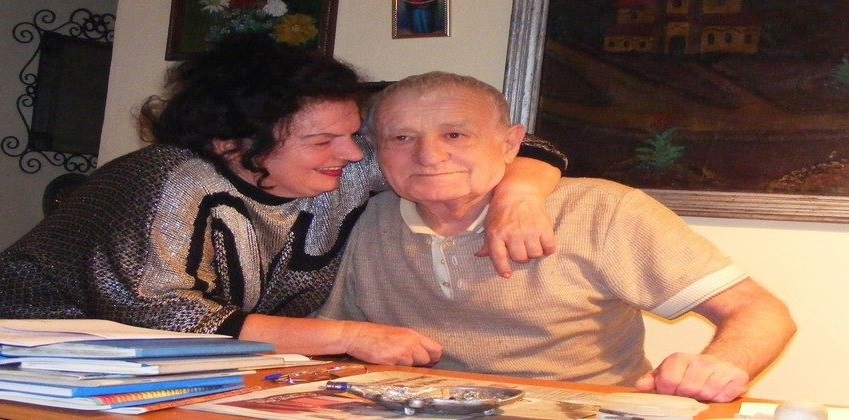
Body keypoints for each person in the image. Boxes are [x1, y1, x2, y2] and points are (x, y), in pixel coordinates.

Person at [0, 36, 567, 365]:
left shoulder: (344, 166)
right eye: (322, 141)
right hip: (40, 368)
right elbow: (162, 314)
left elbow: (515, 145)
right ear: (232, 144)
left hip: (194, 377)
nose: (354, 153)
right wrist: (348, 336)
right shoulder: (162, 181)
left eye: (354, 133)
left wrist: (519, 194)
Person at [317, 71, 796, 402]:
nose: (429, 156)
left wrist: (719, 364)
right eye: (402, 138)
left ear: (511, 143)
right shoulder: (358, 217)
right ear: (376, 150)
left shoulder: (601, 210)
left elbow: (758, 311)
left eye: (455, 135)